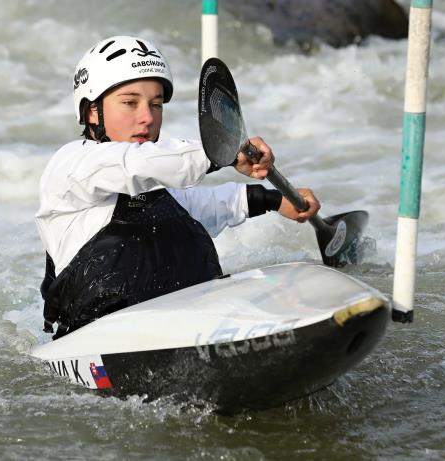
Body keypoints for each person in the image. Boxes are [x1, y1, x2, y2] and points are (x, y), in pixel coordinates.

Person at [35, 36, 320, 340]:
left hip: (185, 326)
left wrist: (274, 199)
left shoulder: (154, 184)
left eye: (156, 104)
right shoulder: (71, 164)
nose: (147, 117)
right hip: (97, 339)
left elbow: (203, 205)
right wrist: (222, 151)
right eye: (130, 102)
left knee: (178, 224)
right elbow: (135, 165)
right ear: (93, 112)